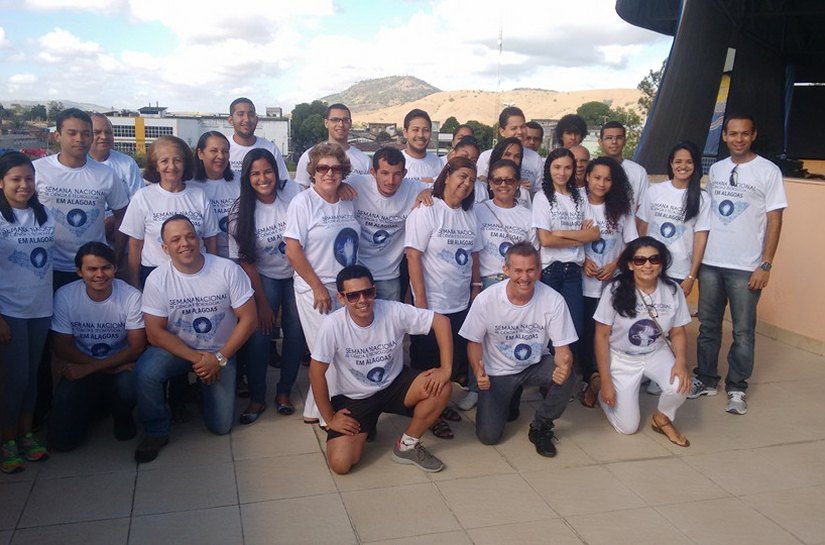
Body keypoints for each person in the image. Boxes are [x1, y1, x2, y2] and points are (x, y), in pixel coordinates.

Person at [133, 215, 256, 463]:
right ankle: (156, 429)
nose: (185, 243)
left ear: (199, 238)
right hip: (179, 351)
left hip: (221, 351)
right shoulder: (157, 279)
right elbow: (155, 332)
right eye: (175, 239)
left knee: (220, 427)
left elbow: (249, 319)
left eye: (190, 236)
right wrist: (200, 360)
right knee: (145, 371)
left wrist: (219, 358)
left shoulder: (226, 269)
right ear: (165, 248)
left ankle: (201, 391)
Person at [310, 265, 453, 474]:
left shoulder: (392, 310)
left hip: (394, 384)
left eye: (367, 292)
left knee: (442, 386)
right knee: (341, 464)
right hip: (354, 397)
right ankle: (367, 426)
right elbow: (315, 372)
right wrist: (330, 418)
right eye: (353, 296)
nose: (362, 300)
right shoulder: (333, 325)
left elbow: (441, 322)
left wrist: (446, 368)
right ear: (341, 298)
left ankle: (407, 446)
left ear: (374, 291)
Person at [690, 114, 787, 415]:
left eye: (744, 134)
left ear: (753, 135)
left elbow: (775, 218)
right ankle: (706, 379)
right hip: (711, 262)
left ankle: (736, 388)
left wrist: (766, 263)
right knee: (708, 327)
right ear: (724, 136)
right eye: (733, 134)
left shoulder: (768, 171)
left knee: (743, 331)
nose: (738, 139)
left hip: (746, 266)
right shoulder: (717, 170)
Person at [460, 242, 578, 456]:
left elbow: (563, 348)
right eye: (519, 271)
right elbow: (473, 342)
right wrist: (478, 371)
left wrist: (564, 365)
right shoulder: (486, 300)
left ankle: (541, 425)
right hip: (498, 371)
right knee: (488, 437)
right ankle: (510, 397)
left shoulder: (554, 300)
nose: (525, 277)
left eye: (531, 270)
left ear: (539, 269)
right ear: (506, 270)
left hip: (534, 364)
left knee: (568, 374)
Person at [405, 156, 482, 439]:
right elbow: (413, 255)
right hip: (432, 303)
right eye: (462, 176)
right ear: (447, 175)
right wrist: (421, 303)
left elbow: (474, 254)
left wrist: (475, 288)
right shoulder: (427, 210)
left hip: (460, 302)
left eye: (472, 180)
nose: (466, 184)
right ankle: (425, 413)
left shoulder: (469, 215)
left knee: (449, 360)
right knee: (427, 362)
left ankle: (440, 404)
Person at [284, 142, 361, 425]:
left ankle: (314, 410)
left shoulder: (349, 199)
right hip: (314, 290)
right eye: (323, 168)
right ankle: (330, 416)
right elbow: (293, 250)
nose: (330, 173)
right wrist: (317, 286)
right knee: (325, 351)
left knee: (337, 349)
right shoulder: (302, 203)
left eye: (336, 168)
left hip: (344, 289)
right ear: (313, 172)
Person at [591, 237, 692, 447]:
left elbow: (678, 332)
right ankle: (597, 385)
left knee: (680, 385)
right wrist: (607, 381)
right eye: (640, 260)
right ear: (630, 264)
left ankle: (662, 418)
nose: (647, 265)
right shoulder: (614, 291)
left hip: (656, 352)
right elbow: (601, 337)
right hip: (621, 357)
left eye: (654, 259)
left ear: (661, 263)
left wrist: (681, 362)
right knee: (628, 428)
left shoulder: (673, 290)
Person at [228, 148, 305, 422]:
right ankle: (257, 397)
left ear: (276, 171)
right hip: (264, 278)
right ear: (247, 177)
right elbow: (246, 260)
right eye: (256, 173)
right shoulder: (240, 211)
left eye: (268, 171)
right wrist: (261, 303)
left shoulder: (294, 193)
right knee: (259, 336)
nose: (263, 178)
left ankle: (284, 391)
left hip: (297, 275)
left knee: (296, 335)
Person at [48, 242, 145, 451]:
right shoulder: (65, 296)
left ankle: (122, 416)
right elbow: (61, 347)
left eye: (106, 267)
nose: (100, 274)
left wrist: (92, 368)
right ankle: (95, 408)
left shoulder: (131, 296)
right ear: (79, 272)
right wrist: (101, 368)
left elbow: (136, 347)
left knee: (128, 385)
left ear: (115, 268)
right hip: (84, 364)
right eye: (92, 269)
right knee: (62, 443)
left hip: (119, 367)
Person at [0, 152, 53, 473]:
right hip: (10, 311)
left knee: (33, 377)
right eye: (16, 179)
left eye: (29, 179)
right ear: (1, 182)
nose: (24, 186)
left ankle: (26, 434)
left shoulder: (45, 215)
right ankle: (7, 441)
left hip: (41, 308)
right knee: (14, 380)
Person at [35, 108, 129, 290]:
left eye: (86, 133)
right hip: (48, 267)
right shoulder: (38, 170)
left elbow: (123, 215)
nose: (80, 139)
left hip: (93, 270)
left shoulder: (106, 174)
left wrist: (114, 257)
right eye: (72, 133)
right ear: (57, 136)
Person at [119, 136, 220, 288]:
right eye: (164, 161)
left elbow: (211, 239)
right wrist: (134, 283)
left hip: (197, 274)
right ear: (155, 166)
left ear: (185, 164)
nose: (172, 167)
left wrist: (213, 274)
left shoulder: (199, 195)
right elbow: (135, 245)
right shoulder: (143, 197)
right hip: (155, 275)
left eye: (177, 160)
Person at [579, 157, 638, 407]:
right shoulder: (577, 202)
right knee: (584, 330)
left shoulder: (621, 208)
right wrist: (582, 260)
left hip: (610, 282)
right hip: (582, 281)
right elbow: (568, 236)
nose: (601, 183)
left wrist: (615, 264)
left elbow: (631, 243)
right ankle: (587, 377)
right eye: (597, 177)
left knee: (606, 332)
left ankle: (601, 376)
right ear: (587, 177)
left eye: (607, 179)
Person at [532, 147, 599, 350]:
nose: (562, 172)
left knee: (574, 328)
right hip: (551, 270)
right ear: (549, 169)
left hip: (573, 272)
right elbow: (545, 240)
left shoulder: (580, 197)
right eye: (557, 167)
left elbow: (594, 234)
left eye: (567, 167)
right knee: (549, 327)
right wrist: (579, 238)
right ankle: (550, 376)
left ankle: (568, 376)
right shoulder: (542, 197)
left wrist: (560, 233)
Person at [347, 147, 429, 301]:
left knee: (389, 321)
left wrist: (429, 192)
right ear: (373, 172)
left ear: (404, 173)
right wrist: (341, 187)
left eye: (397, 174)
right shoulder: (355, 184)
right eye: (384, 173)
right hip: (356, 269)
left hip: (389, 274)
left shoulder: (414, 188)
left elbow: (442, 189)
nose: (390, 181)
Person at [637, 141, 709, 292]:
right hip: (649, 267)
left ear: (696, 164)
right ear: (671, 163)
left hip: (680, 271)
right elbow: (642, 229)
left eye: (689, 162)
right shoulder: (654, 191)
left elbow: (700, 239)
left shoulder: (703, 198)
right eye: (678, 161)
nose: (683, 166)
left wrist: (691, 276)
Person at [295, 103, 371, 188]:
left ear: (350, 123)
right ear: (326, 123)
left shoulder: (365, 161)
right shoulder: (309, 156)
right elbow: (301, 189)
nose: (341, 124)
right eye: (335, 120)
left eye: (345, 120)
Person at [193, 131, 239, 258]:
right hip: (206, 257)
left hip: (240, 256)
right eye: (214, 151)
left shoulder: (240, 180)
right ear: (200, 153)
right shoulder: (190, 186)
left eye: (225, 151)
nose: (221, 156)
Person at [477, 107, 543, 193]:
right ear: (502, 131)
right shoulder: (486, 157)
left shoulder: (535, 158)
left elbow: (538, 192)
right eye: (514, 128)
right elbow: (480, 189)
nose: (520, 132)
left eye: (523, 127)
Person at [598, 121, 649, 215]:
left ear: (625, 141)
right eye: (609, 138)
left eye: (619, 138)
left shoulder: (638, 171)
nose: (614, 142)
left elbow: (642, 207)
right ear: (600, 142)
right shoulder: (593, 170)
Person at [474, 137, 531, 208]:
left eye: (517, 156)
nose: (512, 159)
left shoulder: (523, 192)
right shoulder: (481, 186)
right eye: (507, 154)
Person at [401, 109, 443, 184]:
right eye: (415, 130)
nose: (420, 135)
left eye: (425, 130)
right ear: (405, 133)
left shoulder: (438, 163)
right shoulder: (397, 162)